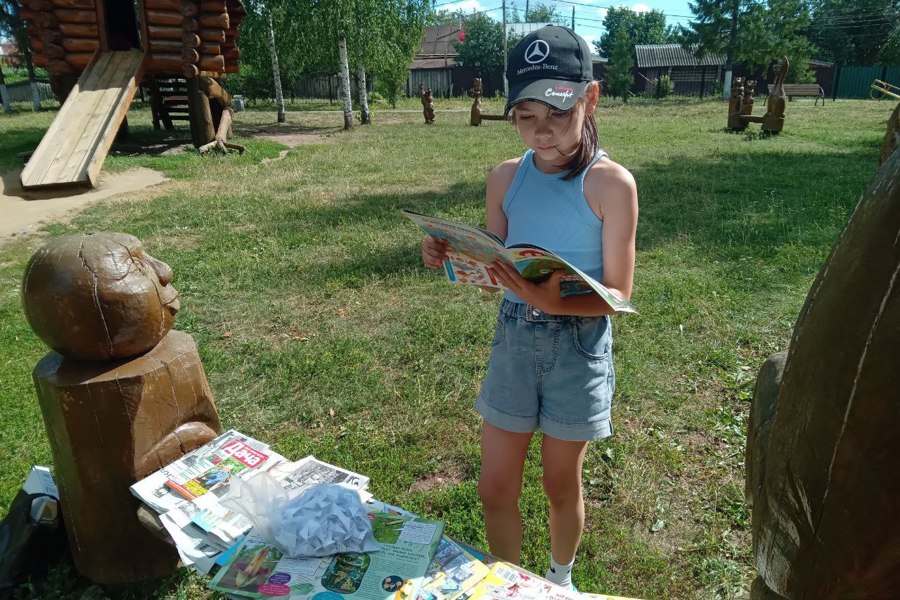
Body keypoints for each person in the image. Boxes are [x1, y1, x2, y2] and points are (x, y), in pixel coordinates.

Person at [420, 25, 637, 590]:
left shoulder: (612, 185)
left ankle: (559, 579)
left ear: (590, 98)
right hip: (514, 340)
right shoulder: (505, 179)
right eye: (526, 117)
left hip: (578, 349)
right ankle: (511, 582)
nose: (542, 133)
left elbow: (618, 294)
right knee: (494, 487)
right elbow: (495, 268)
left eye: (559, 115)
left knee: (560, 482)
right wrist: (446, 255)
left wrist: (551, 297)